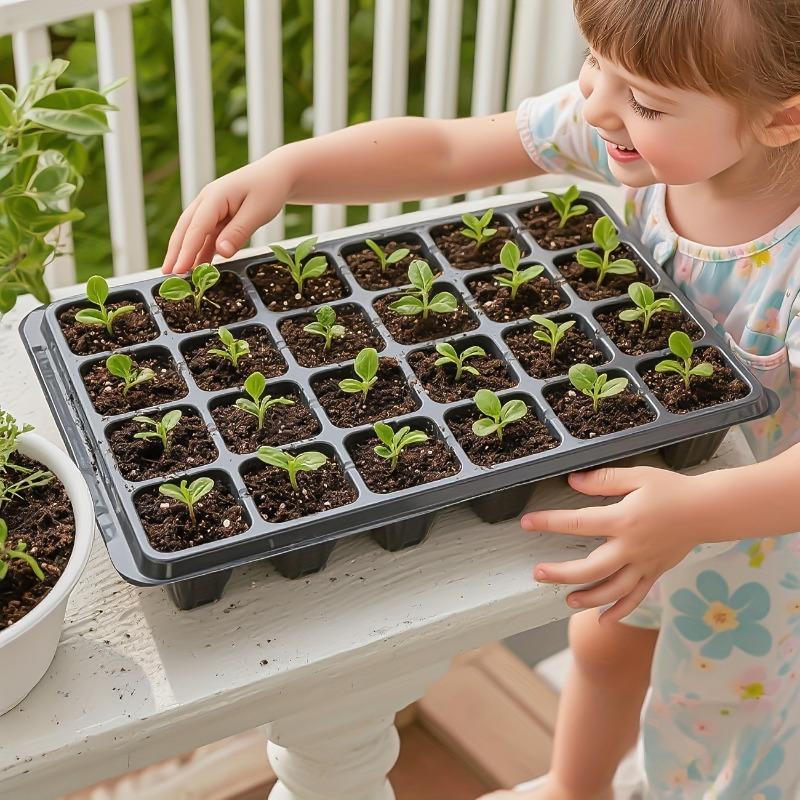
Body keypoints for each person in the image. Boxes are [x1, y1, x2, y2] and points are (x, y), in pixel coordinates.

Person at [161, 0, 800, 796]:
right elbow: (446, 148)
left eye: (645, 99)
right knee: (604, 646)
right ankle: (576, 786)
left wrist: (699, 514)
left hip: (758, 544)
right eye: (593, 61)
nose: (596, 103)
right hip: (644, 492)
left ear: (781, 121)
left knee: (711, 713)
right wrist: (290, 169)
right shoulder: (627, 133)